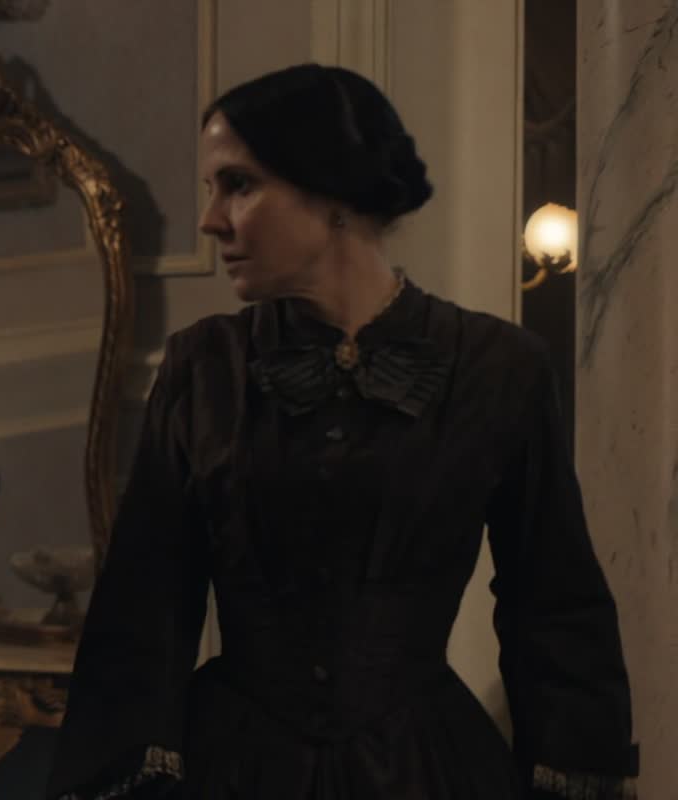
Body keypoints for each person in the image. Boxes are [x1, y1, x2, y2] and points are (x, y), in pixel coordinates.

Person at [45, 64, 638, 799]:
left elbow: (553, 603)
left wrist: (576, 768)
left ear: (329, 190)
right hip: (234, 767)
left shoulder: (497, 368)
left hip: (426, 769)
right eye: (211, 190)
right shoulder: (204, 367)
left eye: (238, 185)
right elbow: (144, 609)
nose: (211, 220)